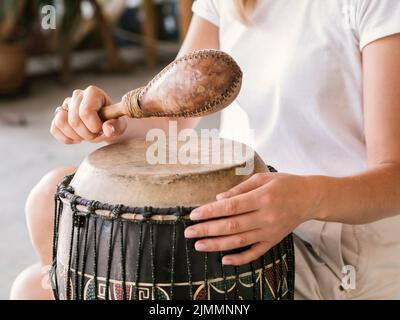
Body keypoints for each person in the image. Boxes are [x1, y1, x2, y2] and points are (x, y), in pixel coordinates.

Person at [11, 0, 400, 299]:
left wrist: (306, 198)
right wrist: (114, 118)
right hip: (239, 205)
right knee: (48, 201)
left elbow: (394, 175)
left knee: (35, 290)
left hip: (338, 241)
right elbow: (174, 110)